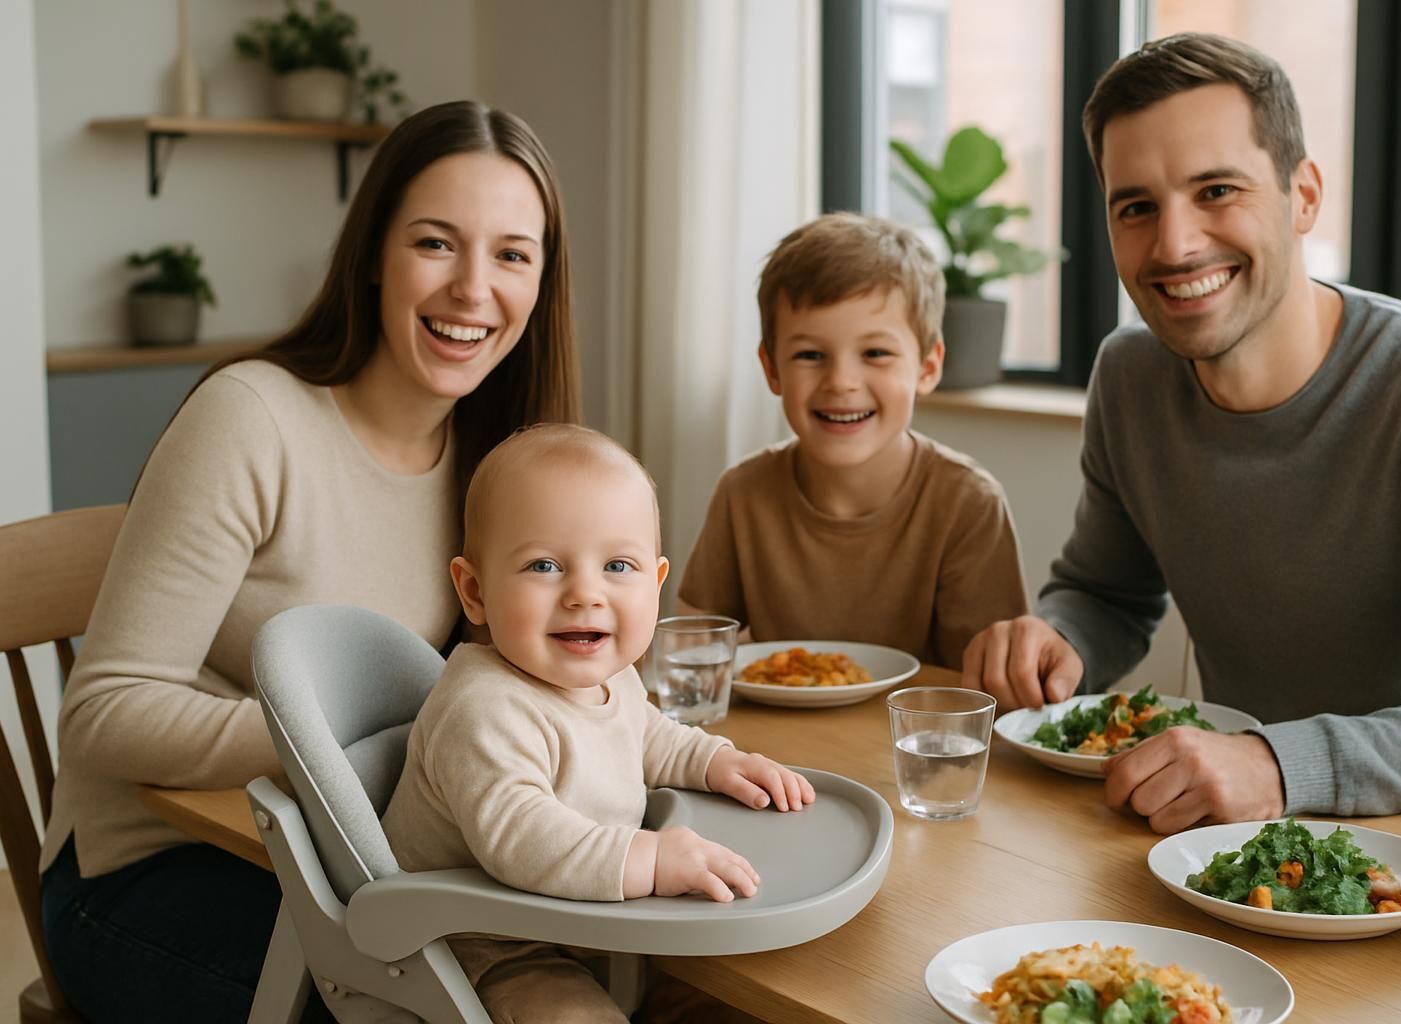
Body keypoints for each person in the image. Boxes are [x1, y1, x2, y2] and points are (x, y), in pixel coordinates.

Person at [39, 100, 580, 1023]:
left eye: (512, 256)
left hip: (344, 861)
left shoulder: (497, 465)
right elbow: (105, 713)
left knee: (599, 962)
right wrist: (351, 750)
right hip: (147, 875)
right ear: (374, 255)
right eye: (436, 244)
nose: (472, 289)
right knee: (434, 1007)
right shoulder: (252, 420)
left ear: (541, 284)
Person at [962, 33, 1401, 831]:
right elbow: (1108, 595)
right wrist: (1058, 640)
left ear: (1304, 196)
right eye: (1137, 207)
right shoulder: (1129, 374)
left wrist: (1275, 765)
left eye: (1217, 190)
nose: (1175, 245)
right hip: (1226, 848)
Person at [381, 423, 814, 1023]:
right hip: (481, 944)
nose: (585, 594)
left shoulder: (612, 677)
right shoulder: (483, 708)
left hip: (583, 919)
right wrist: (652, 859)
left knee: (754, 982)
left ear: (655, 585)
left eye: (617, 564)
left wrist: (718, 762)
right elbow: (522, 840)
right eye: (543, 565)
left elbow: (647, 736)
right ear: (475, 591)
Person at [678, 212, 1027, 668]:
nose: (841, 382)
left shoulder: (968, 503)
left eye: (875, 353)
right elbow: (690, 652)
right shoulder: (742, 493)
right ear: (772, 369)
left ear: (927, 367)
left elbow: (984, 683)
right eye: (810, 355)